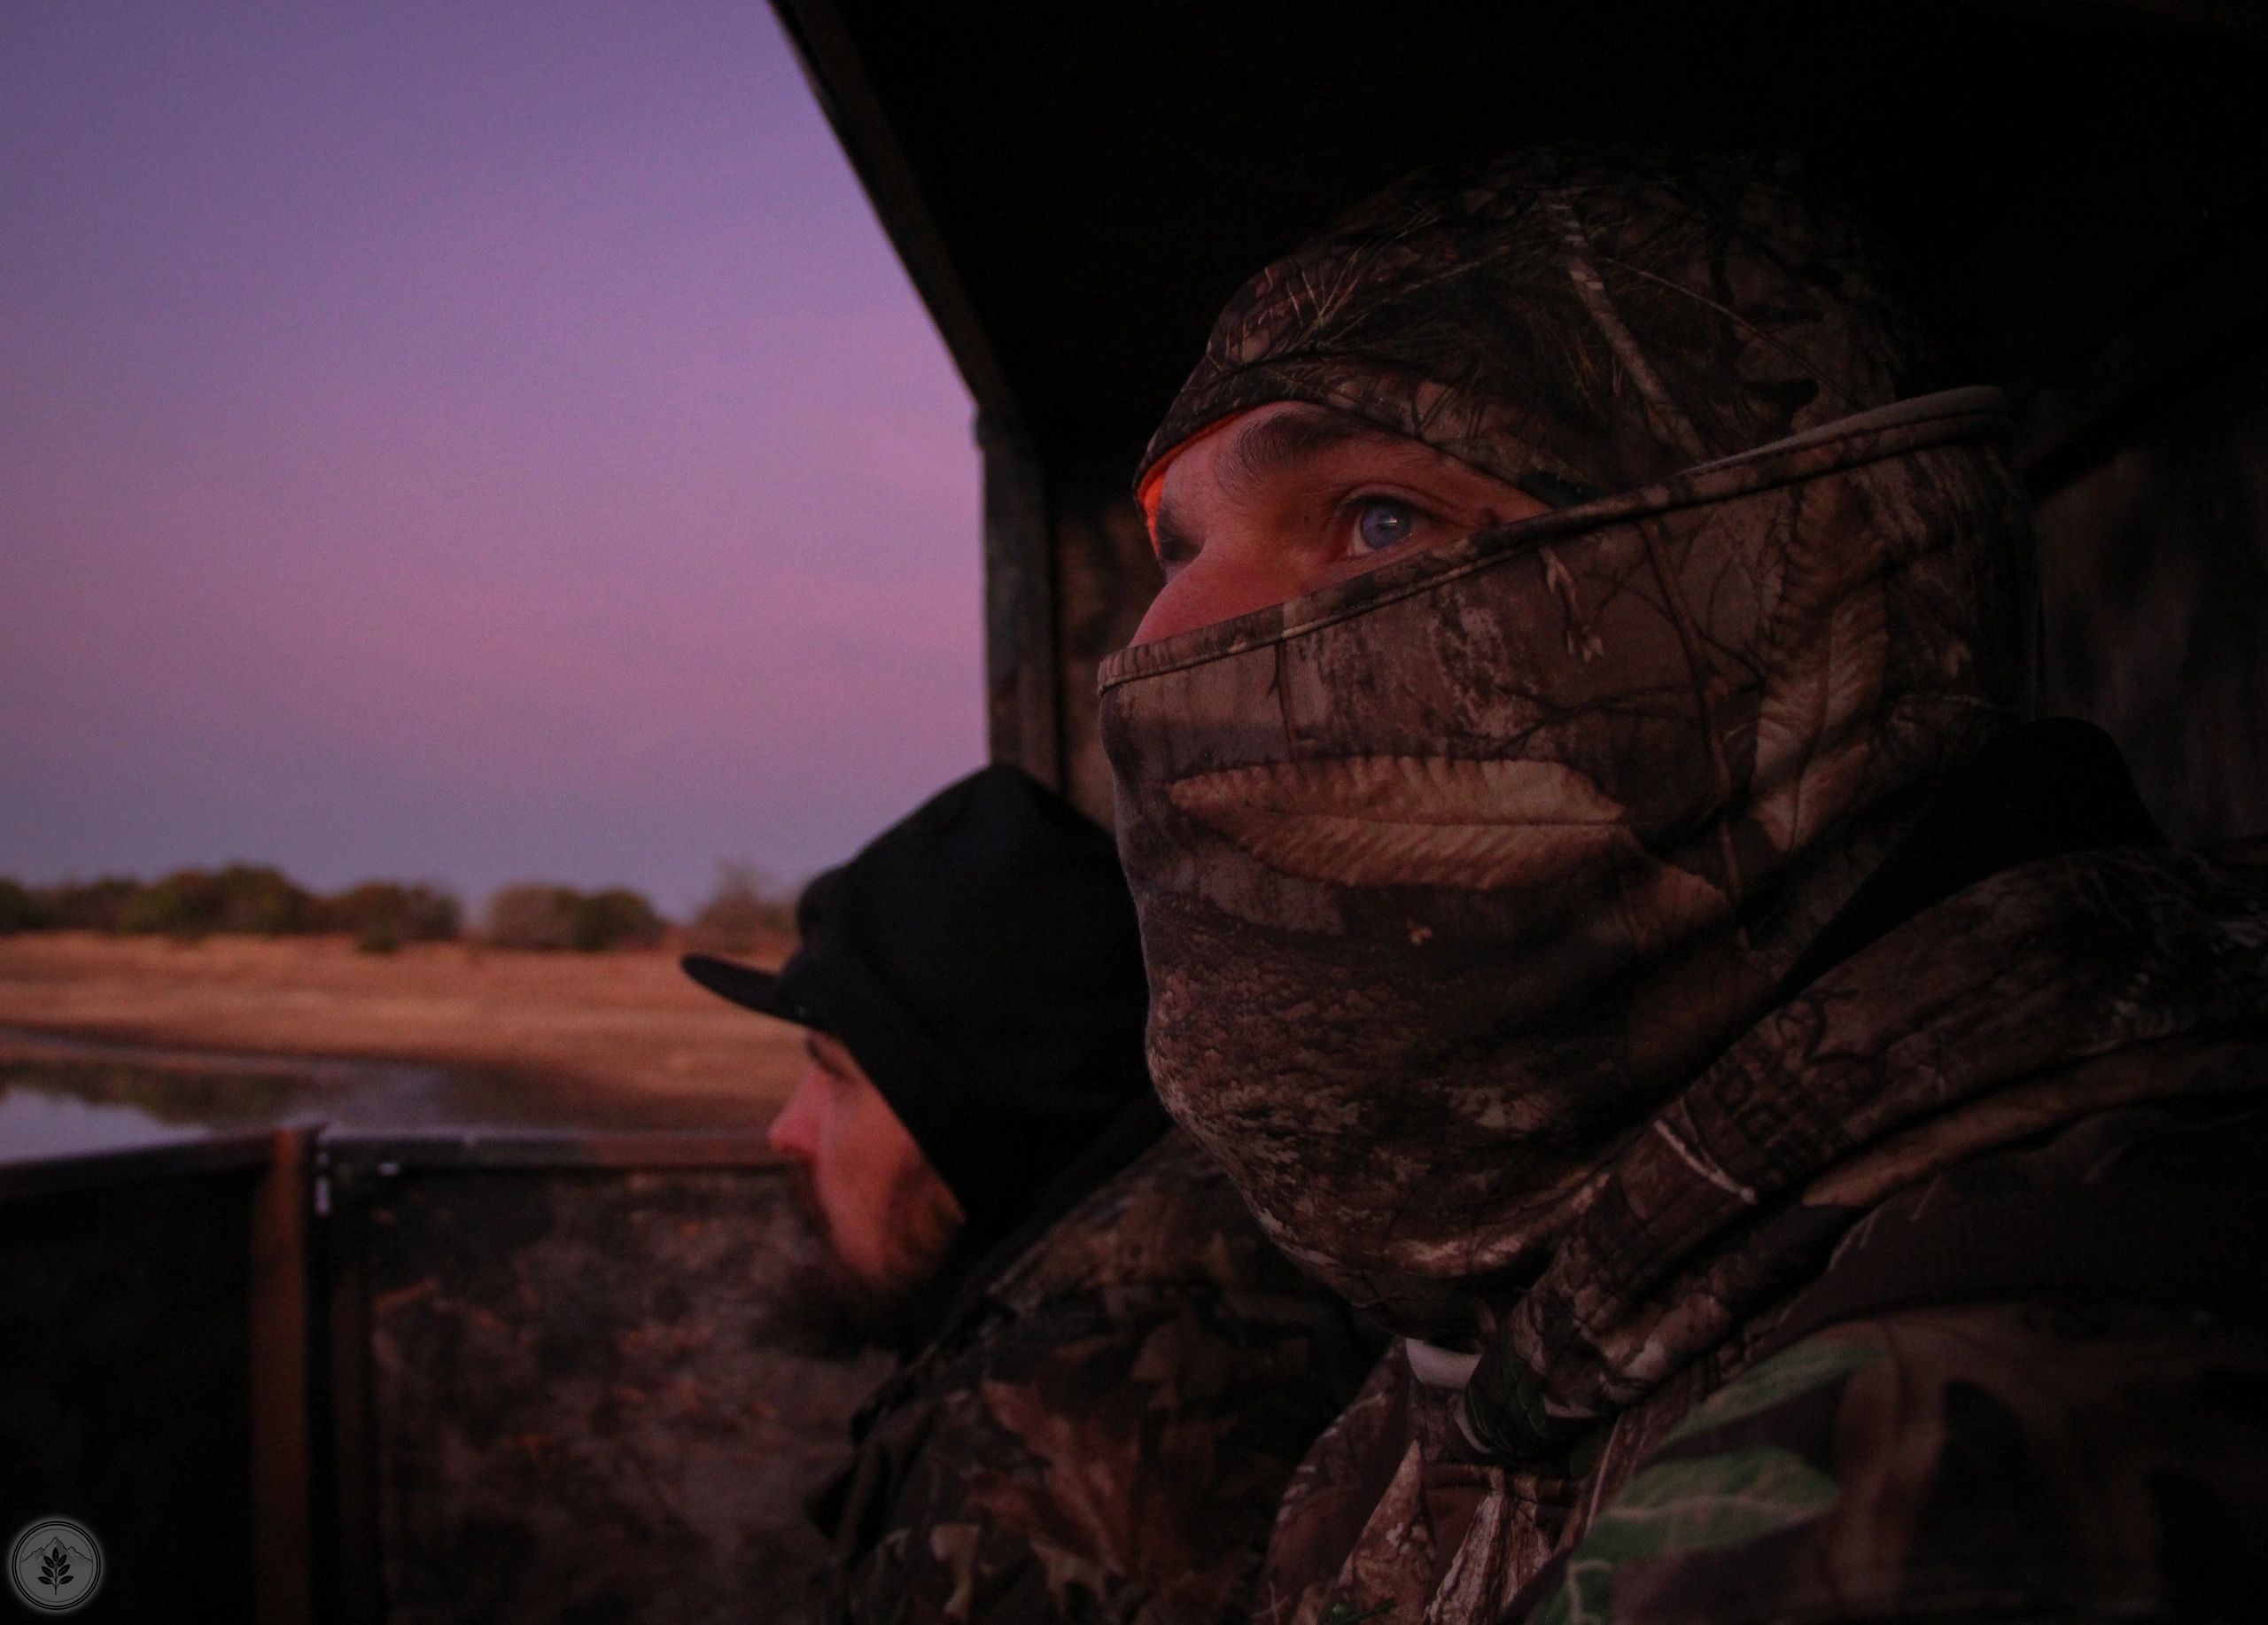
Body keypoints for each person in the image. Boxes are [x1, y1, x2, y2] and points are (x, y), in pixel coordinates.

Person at [1097, 148, 2268, 1625]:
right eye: (1179, 549)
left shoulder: (1990, 1468)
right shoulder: (1491, 1350)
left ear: (1799, 586)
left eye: (1380, 517)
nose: (1155, 651)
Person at [684, 765, 1375, 1623]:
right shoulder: (1217, 1301)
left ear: (976, 1118)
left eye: (835, 1074)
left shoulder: (1032, 1486)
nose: (787, 1130)